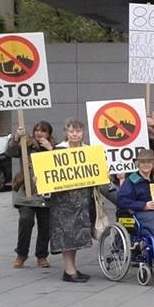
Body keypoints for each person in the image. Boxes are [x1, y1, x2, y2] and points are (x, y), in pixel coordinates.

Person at [48, 119, 106, 283]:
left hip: (83, 201)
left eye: (78, 131)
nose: (75, 134)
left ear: (83, 133)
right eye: (71, 131)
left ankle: (72, 268)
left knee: (76, 236)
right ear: (66, 133)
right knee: (67, 235)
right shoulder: (58, 150)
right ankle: (69, 271)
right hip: (63, 201)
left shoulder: (89, 151)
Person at [8, 121, 55, 269]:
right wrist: (16, 138)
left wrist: (51, 149)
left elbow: (61, 163)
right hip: (27, 192)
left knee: (45, 226)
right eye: (37, 130)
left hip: (46, 193)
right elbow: (10, 152)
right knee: (25, 220)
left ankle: (42, 255)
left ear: (49, 134)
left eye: (43, 131)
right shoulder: (25, 144)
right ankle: (21, 254)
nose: (39, 133)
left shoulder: (54, 146)